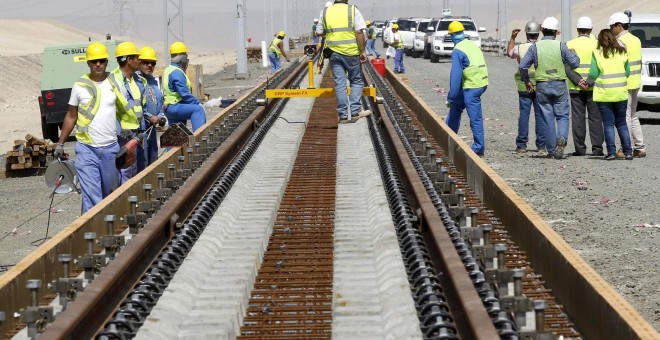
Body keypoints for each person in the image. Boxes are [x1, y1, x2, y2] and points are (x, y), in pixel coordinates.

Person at [54, 42, 139, 213]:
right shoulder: (80, 86)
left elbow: (124, 111)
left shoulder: (115, 84)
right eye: (94, 61)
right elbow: (71, 115)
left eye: (101, 60)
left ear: (107, 62)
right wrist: (60, 143)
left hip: (110, 148)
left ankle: (107, 229)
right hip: (87, 149)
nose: (98, 64)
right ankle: (91, 236)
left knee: (110, 193)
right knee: (92, 197)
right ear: (88, 63)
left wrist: (130, 134)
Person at [519, 17, 580, 159]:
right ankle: (562, 139)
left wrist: (527, 80)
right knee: (563, 115)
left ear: (542, 30)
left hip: (542, 85)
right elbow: (574, 64)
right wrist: (575, 55)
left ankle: (552, 150)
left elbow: (522, 66)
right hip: (559, 84)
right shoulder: (561, 46)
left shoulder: (535, 47)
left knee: (547, 117)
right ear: (557, 32)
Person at [316, 0, 372, 123]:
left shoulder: (325, 11)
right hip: (351, 52)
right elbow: (359, 32)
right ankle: (356, 111)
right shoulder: (352, 10)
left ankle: (343, 115)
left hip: (334, 53)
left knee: (340, 84)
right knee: (356, 81)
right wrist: (363, 51)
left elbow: (318, 32)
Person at [585, 29, 633, 160]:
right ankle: (628, 152)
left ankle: (611, 152)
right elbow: (627, 72)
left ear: (600, 40)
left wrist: (587, 83)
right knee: (622, 123)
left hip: (604, 94)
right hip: (620, 93)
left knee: (608, 124)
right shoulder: (622, 52)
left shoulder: (597, 53)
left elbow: (594, 74)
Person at [445, 21, 489, 156]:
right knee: (456, 106)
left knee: (475, 116)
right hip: (481, 82)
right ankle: (448, 135)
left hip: (472, 86)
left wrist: (450, 96)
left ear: (452, 35)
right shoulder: (471, 44)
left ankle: (478, 147)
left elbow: (456, 76)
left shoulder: (457, 50)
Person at [565, 16, 604, 156]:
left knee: (578, 118)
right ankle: (597, 149)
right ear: (591, 29)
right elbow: (600, 66)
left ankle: (580, 149)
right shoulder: (598, 44)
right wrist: (589, 81)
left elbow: (567, 67)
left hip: (576, 88)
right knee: (595, 118)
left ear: (577, 30)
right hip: (594, 88)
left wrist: (578, 81)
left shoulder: (569, 43)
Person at [610, 11, 646, 158]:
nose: (611, 29)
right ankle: (640, 147)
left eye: (612, 26)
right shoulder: (636, 39)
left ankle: (627, 147)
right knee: (633, 115)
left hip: (624, 83)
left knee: (624, 117)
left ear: (619, 26)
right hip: (635, 82)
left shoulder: (620, 42)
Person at [507, 21, 546, 154]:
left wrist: (513, 38)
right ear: (538, 33)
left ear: (527, 33)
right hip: (540, 84)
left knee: (524, 114)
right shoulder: (542, 47)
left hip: (524, 84)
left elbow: (510, 53)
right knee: (540, 114)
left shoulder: (521, 47)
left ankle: (522, 145)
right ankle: (541, 145)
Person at [110, 41, 147, 184]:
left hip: (135, 133)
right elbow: (111, 109)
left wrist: (141, 130)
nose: (139, 60)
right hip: (121, 135)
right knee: (124, 169)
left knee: (133, 168)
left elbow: (140, 108)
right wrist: (120, 129)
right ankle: (124, 202)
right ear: (129, 60)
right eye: (136, 57)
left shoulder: (139, 81)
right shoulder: (113, 80)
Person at [163, 41, 207, 132]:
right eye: (186, 56)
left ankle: (172, 146)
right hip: (175, 106)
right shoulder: (177, 72)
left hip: (169, 108)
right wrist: (197, 103)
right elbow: (184, 93)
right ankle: (199, 140)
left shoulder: (169, 70)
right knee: (198, 110)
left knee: (177, 136)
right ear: (182, 57)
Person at [137, 46, 166, 166]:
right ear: (139, 63)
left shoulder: (153, 82)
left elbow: (160, 101)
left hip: (152, 128)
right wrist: (149, 117)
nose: (149, 65)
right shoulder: (135, 81)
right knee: (142, 164)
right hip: (141, 129)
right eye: (145, 63)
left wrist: (160, 116)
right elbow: (136, 105)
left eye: (152, 63)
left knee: (153, 162)